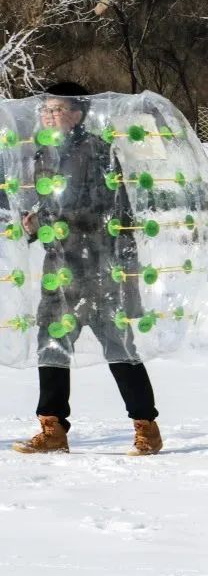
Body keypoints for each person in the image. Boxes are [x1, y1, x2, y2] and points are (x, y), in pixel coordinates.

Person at [12, 82, 162, 456]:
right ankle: (52, 428)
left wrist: (63, 221)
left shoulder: (97, 150)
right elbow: (50, 203)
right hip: (59, 266)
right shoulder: (43, 153)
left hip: (99, 268)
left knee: (119, 348)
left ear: (77, 114)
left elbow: (111, 210)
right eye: (45, 110)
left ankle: (146, 426)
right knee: (51, 346)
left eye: (57, 110)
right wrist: (37, 224)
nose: (49, 115)